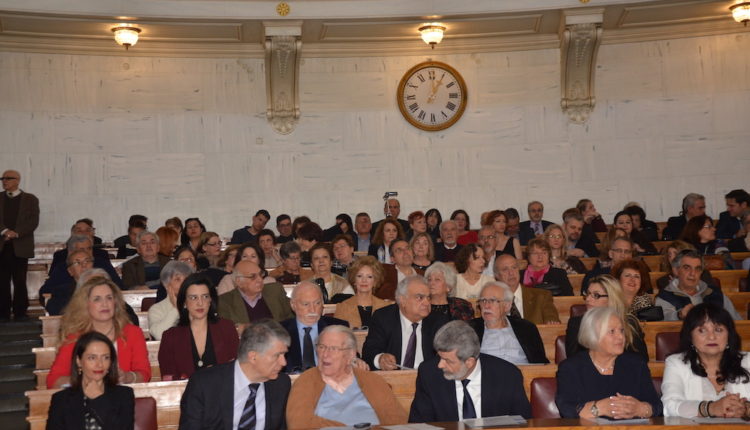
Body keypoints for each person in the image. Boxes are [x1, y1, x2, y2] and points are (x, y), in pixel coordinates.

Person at [286, 325, 408, 428]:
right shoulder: (306, 382)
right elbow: (298, 424)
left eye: (333, 349)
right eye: (321, 347)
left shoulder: (373, 381)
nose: (325, 354)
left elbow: (398, 421)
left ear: (350, 354)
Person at [178, 319, 291, 430]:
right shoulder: (204, 384)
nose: (284, 362)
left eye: (284, 355)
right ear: (253, 357)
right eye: (277, 355)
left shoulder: (281, 384)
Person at [408, 320, 531, 422]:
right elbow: (419, 424)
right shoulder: (429, 374)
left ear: (469, 362)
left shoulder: (508, 376)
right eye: (439, 357)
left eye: (447, 360)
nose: (440, 365)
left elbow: (522, 423)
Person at [556, 306, 662, 419]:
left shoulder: (636, 364)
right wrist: (598, 408)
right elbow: (567, 409)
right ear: (593, 335)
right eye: (612, 331)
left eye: (622, 330)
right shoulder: (571, 368)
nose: (621, 337)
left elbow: (656, 406)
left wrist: (641, 409)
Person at [47, 276, 150, 388]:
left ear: (115, 302)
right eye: (97, 299)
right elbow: (53, 380)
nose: (105, 304)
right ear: (86, 304)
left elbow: (144, 374)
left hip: (123, 395)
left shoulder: (133, 333)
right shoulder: (74, 337)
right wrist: (83, 380)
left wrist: (127, 377)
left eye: (109, 298)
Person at [661, 303, 750, 418]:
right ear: (690, 337)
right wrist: (711, 408)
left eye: (718, 330)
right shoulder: (676, 363)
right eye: (702, 330)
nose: (711, 337)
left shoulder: (748, 361)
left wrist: (745, 409)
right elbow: (670, 406)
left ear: (729, 335)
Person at [46, 332, 135, 430]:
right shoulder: (61, 400)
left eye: (106, 358)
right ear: (78, 361)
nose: (99, 364)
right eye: (92, 358)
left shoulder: (124, 395)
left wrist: (99, 400)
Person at [159, 273, 239, 379]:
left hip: (222, 388)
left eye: (205, 297)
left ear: (210, 300)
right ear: (184, 302)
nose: (200, 303)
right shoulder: (170, 337)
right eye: (193, 298)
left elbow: (237, 369)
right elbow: (168, 379)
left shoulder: (226, 328)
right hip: (185, 389)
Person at [362, 276, 449, 370]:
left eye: (428, 297)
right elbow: (370, 350)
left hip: (427, 376)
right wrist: (380, 359)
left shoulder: (439, 321)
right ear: (402, 300)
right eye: (420, 297)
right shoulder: (383, 317)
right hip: (394, 376)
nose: (427, 303)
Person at [565, 275, 648, 361]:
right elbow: (573, 358)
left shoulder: (629, 323)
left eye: (596, 295)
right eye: (588, 294)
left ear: (611, 298)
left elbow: (642, 359)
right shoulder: (577, 323)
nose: (588, 299)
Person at [469, 282, 548, 364]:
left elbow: (541, 362)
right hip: (487, 371)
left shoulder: (526, 328)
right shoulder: (470, 329)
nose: (486, 306)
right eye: (483, 300)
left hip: (522, 371)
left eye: (492, 301)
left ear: (507, 306)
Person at [280, 281, 349, 373]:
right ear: (293, 305)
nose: (312, 310)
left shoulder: (339, 327)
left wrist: (356, 361)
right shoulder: (279, 331)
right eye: (306, 304)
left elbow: (352, 355)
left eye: (317, 303)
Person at [656, 250, 741, 321]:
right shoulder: (665, 297)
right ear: (676, 271)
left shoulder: (715, 294)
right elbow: (663, 321)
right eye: (687, 268)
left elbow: (737, 323)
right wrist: (679, 315)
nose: (693, 274)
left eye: (697, 269)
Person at [0, 171, 38, 321]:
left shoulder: (30, 199)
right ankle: (3, 312)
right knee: (2, 280)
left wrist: (16, 233)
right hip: (2, 245)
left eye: (8, 178)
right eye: (3, 179)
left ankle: (20, 312)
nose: (4, 181)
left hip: (21, 246)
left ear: (18, 180)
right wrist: (5, 231)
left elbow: (33, 221)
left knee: (20, 280)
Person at [218, 261, 293, 325]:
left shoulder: (275, 291)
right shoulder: (225, 302)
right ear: (239, 282)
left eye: (260, 274)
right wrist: (238, 328)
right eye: (253, 277)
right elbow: (225, 329)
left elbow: (292, 318)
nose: (260, 280)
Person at [494, 254, 560, 324]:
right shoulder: (491, 301)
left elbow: (552, 319)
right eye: (505, 269)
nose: (511, 273)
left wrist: (551, 322)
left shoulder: (542, 296)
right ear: (496, 275)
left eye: (514, 267)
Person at [334, 256, 390, 329]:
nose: (364, 280)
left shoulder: (386, 307)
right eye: (359, 276)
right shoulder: (342, 308)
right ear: (354, 280)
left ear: (375, 282)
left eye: (369, 277)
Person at [148, 261, 194, 340]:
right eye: (177, 279)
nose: (184, 283)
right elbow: (159, 336)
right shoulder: (156, 309)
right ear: (166, 285)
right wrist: (176, 308)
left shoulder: (197, 303)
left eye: (186, 279)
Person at [42, 250, 94, 315]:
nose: (84, 265)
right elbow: (54, 310)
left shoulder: (103, 287)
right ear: (70, 271)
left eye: (87, 261)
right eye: (77, 263)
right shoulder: (61, 292)